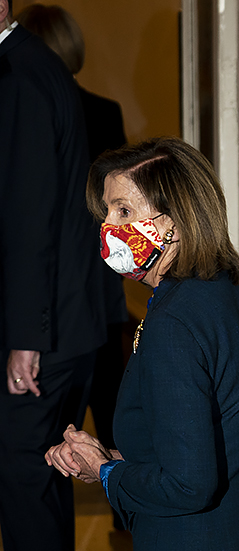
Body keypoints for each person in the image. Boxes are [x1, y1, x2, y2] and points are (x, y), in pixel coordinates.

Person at [45, 137, 239, 551]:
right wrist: (110, 461)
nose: (107, 228)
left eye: (123, 210)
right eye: (106, 212)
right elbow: (213, 440)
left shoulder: (174, 320)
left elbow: (188, 485)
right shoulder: (232, 289)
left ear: (172, 221)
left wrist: (104, 470)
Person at [14, 8, 130, 525]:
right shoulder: (100, 109)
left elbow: (36, 221)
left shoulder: (28, 95)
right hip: (96, 293)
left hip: (58, 302)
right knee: (106, 419)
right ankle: (126, 517)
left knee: (38, 466)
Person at [0, 0, 107, 548]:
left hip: (46, 337)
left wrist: (25, 338)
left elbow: (30, 219)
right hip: (63, 326)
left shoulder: (21, 75)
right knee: (44, 475)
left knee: (23, 481)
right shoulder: (35, 66)